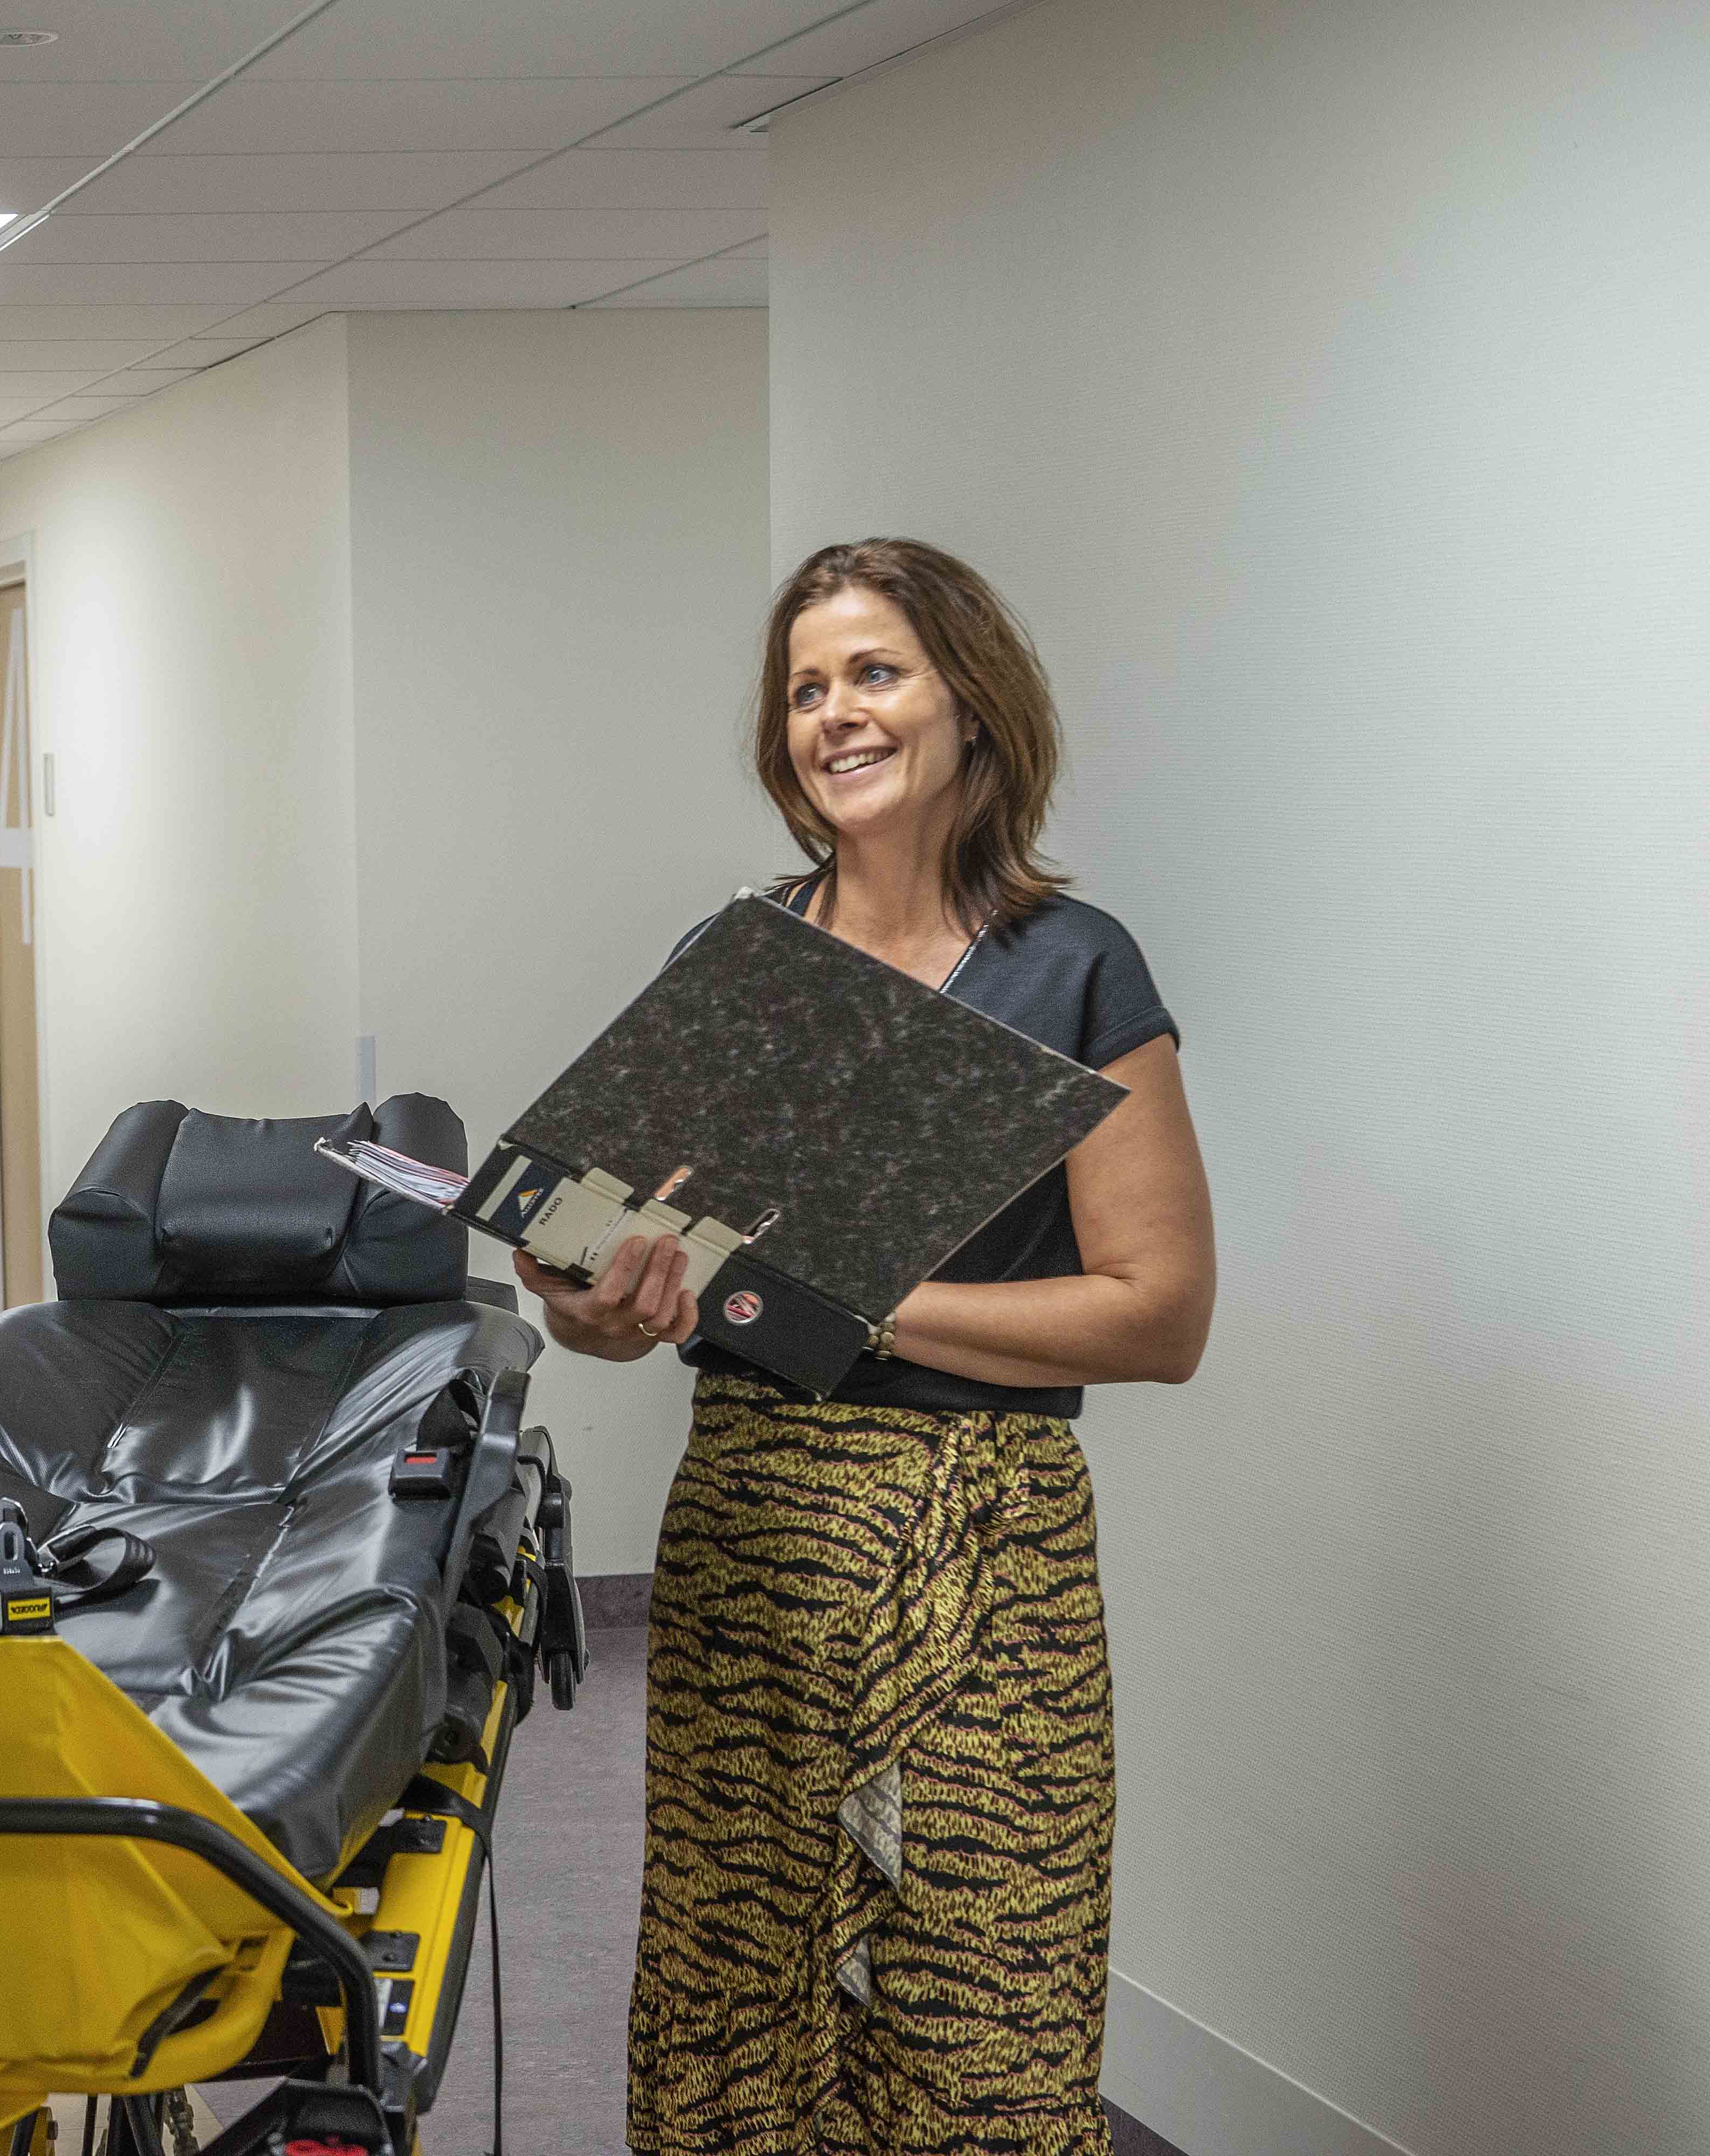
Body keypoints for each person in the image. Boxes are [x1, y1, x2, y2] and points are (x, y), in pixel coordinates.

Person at [521, 539, 1217, 2154]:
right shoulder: (740, 967)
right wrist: (595, 1305)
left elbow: (1159, 1313)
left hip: (987, 1535)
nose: (835, 714)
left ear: (972, 700)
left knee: (986, 1997)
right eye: (806, 687)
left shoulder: (1074, 968)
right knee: (731, 1987)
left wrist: (849, 1288)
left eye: (876, 672)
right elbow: (610, 1293)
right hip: (753, 1533)